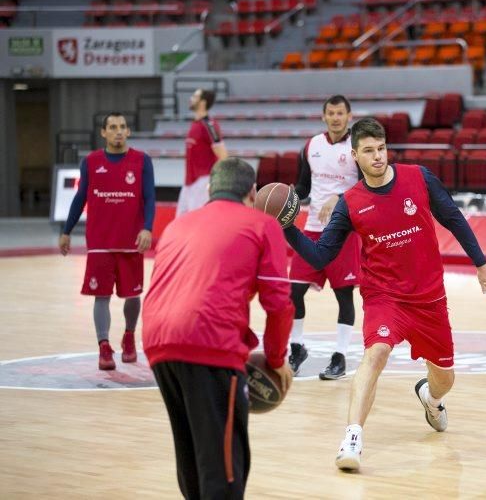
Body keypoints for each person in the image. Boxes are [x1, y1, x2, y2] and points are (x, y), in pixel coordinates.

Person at [284, 118, 486, 471]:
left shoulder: (419, 178)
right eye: (369, 151)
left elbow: (453, 218)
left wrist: (481, 263)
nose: (378, 156)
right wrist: (288, 229)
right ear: (355, 156)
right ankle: (351, 438)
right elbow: (321, 255)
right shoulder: (350, 203)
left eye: (381, 148)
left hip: (429, 299)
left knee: (444, 378)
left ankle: (430, 397)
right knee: (376, 353)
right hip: (385, 297)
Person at [142, 157, 294, 499]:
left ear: (210, 190)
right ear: (252, 193)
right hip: (209, 342)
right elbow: (279, 304)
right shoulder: (261, 223)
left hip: (157, 341)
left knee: (192, 458)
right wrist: (276, 359)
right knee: (224, 468)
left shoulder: (178, 224)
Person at [59, 112, 155, 371]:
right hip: (100, 241)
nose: (118, 131)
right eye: (112, 127)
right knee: (100, 295)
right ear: (103, 133)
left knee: (132, 295)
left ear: (129, 131)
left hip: (130, 240)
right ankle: (103, 347)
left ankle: (129, 337)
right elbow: (80, 199)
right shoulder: (90, 162)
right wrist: (66, 230)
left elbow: (150, 197)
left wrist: (147, 228)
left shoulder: (142, 161)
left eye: (123, 127)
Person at [288, 94, 363, 380]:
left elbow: (367, 186)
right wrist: (286, 197)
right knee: (294, 291)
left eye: (340, 113)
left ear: (348, 116)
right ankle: (297, 347)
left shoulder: (357, 148)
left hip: (344, 231)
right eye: (330, 113)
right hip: (312, 229)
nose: (335, 118)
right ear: (323, 116)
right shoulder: (311, 146)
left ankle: (340, 357)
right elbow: (305, 186)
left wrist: (339, 198)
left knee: (343, 295)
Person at [176, 88, 228, 216]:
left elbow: (223, 154)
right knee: (179, 222)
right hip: (189, 183)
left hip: (203, 182)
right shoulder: (195, 124)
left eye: (195, 96)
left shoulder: (209, 125)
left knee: (197, 222)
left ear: (203, 103)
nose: (191, 99)